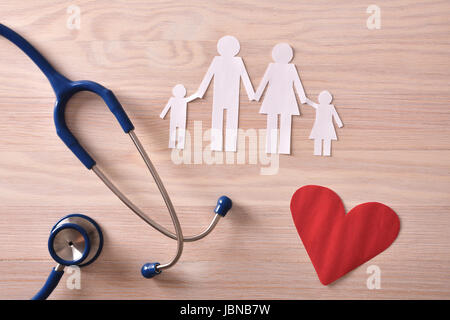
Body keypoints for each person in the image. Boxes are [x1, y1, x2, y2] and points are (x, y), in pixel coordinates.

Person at [196, 35, 255, 152]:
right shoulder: (217, 60)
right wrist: (201, 91)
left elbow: (244, 76)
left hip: (232, 95)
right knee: (217, 118)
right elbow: (209, 75)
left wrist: (251, 93)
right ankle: (217, 144)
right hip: (219, 94)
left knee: (232, 119)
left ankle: (230, 145)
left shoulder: (238, 61)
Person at [255, 43, 306, 154]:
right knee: (278, 121)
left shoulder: (288, 68)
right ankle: (275, 147)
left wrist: (257, 95)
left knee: (281, 122)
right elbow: (265, 81)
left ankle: (281, 147)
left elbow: (296, 82)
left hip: (280, 98)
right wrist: (302, 98)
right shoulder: (275, 67)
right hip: (282, 98)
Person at [160, 84, 199, 149]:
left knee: (181, 132)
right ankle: (173, 144)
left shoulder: (184, 100)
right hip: (175, 118)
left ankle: (180, 145)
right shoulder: (173, 99)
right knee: (174, 131)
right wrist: (162, 115)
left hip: (181, 119)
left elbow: (191, 97)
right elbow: (167, 107)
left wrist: (197, 94)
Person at [305, 91, 343, 156]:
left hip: (323, 125)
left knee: (321, 138)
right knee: (324, 138)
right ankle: (322, 152)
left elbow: (335, 115)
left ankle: (323, 152)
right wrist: (339, 124)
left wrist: (340, 124)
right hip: (325, 126)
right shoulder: (321, 106)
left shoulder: (327, 107)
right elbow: (336, 116)